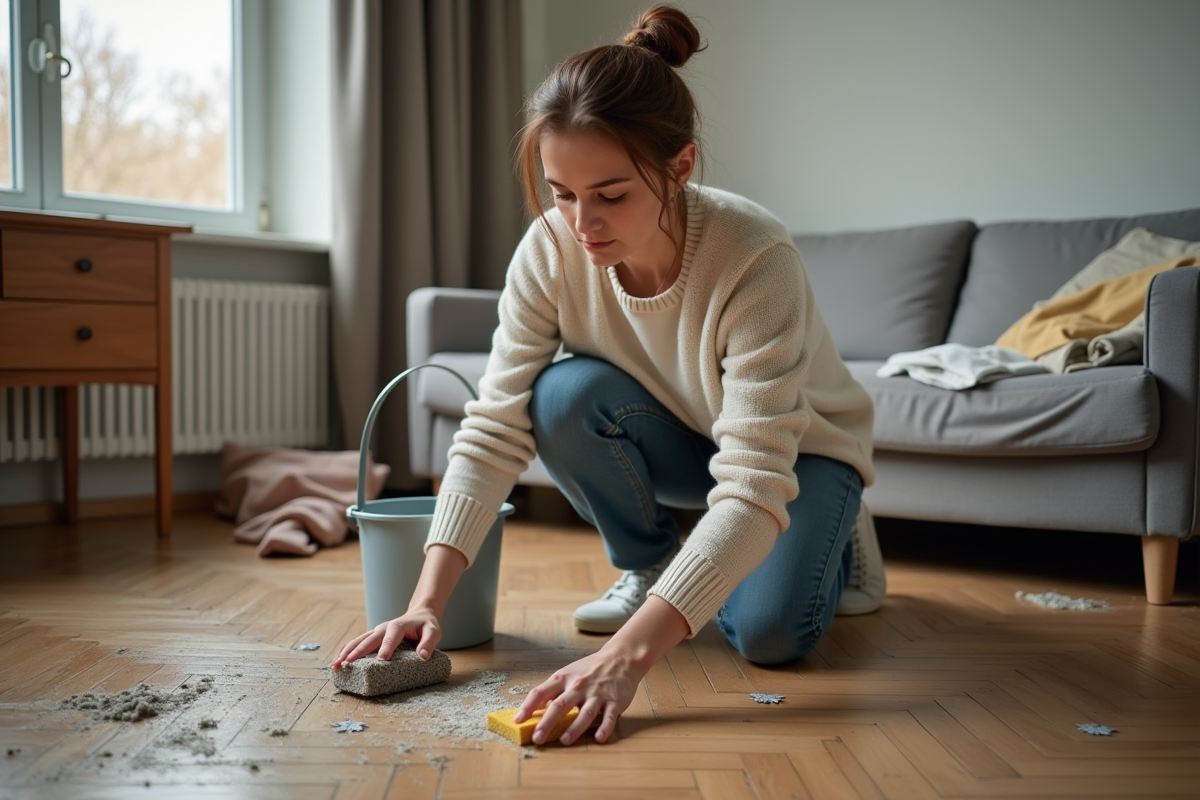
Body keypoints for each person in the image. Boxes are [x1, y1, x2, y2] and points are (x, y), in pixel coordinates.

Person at [334, 4, 883, 748]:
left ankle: (841, 531)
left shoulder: (756, 259)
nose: (582, 222)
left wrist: (627, 659)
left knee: (769, 635)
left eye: (612, 194)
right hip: (683, 434)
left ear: (679, 167)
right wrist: (426, 601)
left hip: (800, 454)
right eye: (562, 192)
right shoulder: (550, 248)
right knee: (558, 394)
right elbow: (494, 425)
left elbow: (754, 482)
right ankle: (652, 568)